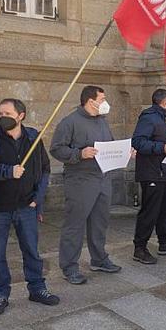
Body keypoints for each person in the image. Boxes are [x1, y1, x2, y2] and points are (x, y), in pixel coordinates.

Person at [0, 98, 59, 315]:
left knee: (32, 250)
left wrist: (38, 198)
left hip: (26, 206)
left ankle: (37, 288)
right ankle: (1, 294)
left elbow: (45, 169)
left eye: (8, 113)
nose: (3, 117)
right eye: (0, 113)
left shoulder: (34, 137)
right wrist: (7, 171)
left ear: (21, 115)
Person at [50, 85, 122, 284]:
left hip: (102, 179)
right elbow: (56, 149)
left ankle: (99, 259)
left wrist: (125, 152)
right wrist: (79, 154)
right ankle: (69, 266)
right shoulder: (70, 122)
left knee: (100, 223)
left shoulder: (102, 121)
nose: (105, 103)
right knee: (75, 225)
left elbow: (110, 145)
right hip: (80, 180)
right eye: (102, 99)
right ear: (91, 101)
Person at [132, 88, 166, 263]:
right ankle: (140, 248)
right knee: (150, 212)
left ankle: (165, 242)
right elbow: (138, 142)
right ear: (164, 102)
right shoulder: (149, 117)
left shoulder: (161, 119)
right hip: (152, 173)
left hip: (165, 173)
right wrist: (161, 148)